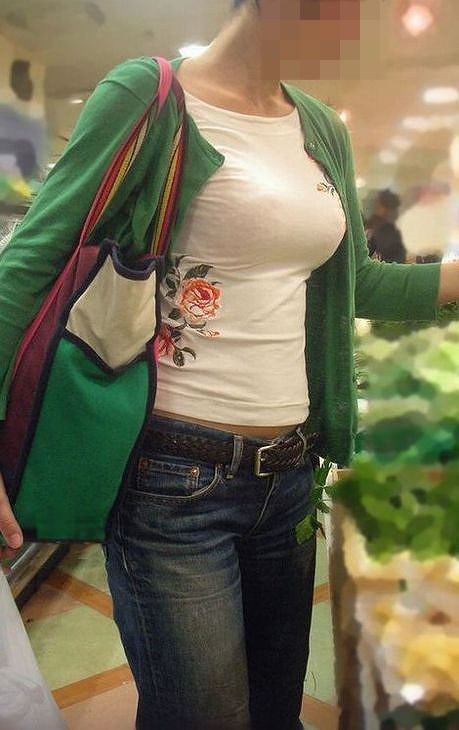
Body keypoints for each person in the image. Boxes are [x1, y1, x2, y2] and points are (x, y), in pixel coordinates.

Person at [1, 1, 458, 728]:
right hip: (171, 479)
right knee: (202, 715)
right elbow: (30, 261)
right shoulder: (151, 96)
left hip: (289, 478)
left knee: (275, 710)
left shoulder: (319, 127)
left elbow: (357, 284)